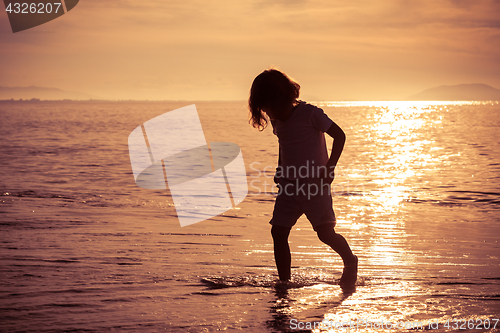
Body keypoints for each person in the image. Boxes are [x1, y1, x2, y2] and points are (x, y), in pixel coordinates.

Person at [248, 68, 358, 288]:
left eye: (270, 106)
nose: (269, 113)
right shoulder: (277, 120)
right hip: (289, 187)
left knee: (325, 233)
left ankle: (350, 261)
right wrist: (280, 169)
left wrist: (330, 168)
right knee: (278, 232)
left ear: (284, 98)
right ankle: (284, 283)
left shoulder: (310, 114)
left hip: (315, 186)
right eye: (265, 108)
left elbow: (340, 135)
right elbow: (284, 145)